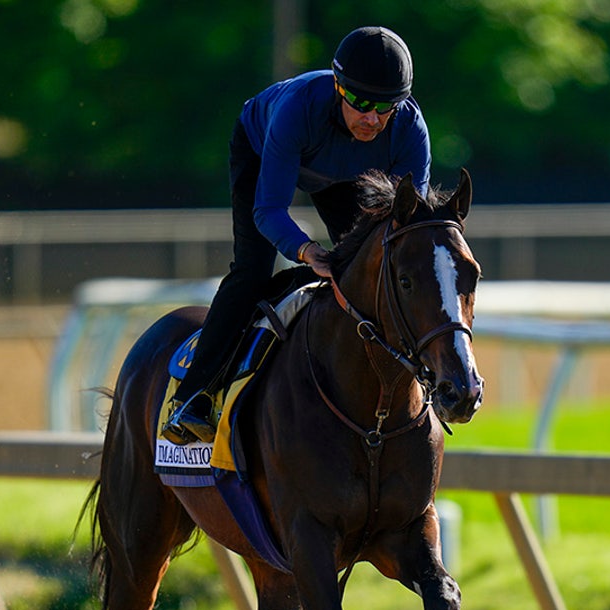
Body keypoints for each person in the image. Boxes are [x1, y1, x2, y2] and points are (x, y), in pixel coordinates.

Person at [161, 25, 432, 445]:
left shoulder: (411, 131)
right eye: (360, 103)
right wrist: (306, 251)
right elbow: (268, 210)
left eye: (386, 107)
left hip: (347, 177)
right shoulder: (297, 109)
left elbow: (404, 229)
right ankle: (194, 394)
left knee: (371, 272)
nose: (372, 119)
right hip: (260, 149)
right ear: (338, 86)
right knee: (253, 271)